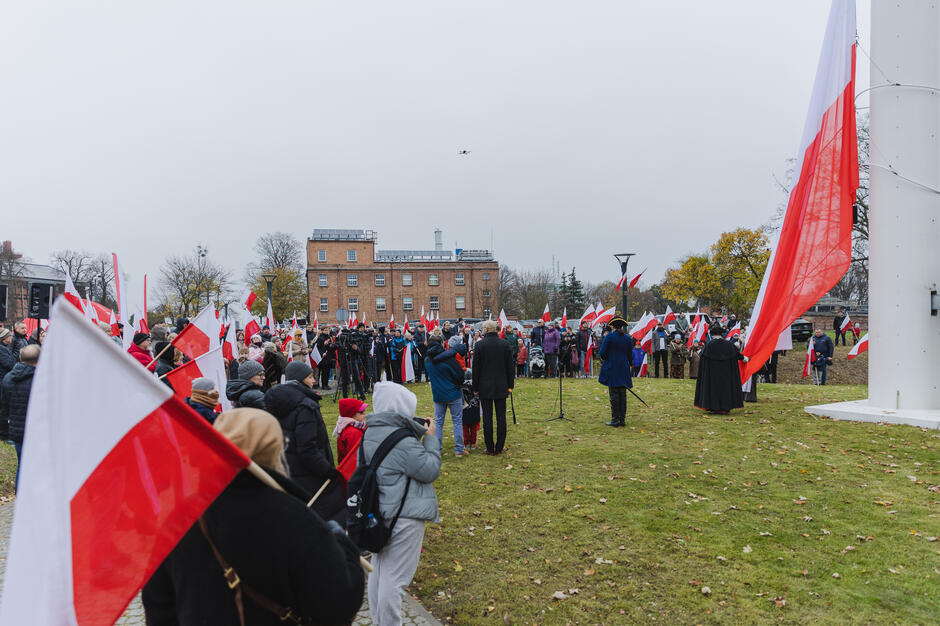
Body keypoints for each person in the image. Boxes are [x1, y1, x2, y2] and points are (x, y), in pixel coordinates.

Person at [142, 408, 365, 625]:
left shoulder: (179, 518)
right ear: (273, 449)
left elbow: (159, 607)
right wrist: (345, 548)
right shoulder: (293, 516)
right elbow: (338, 603)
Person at [360, 382, 441, 626]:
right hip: (404, 515)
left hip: (381, 510)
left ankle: (378, 621)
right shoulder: (401, 441)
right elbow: (429, 469)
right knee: (395, 580)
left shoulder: (371, 431)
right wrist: (431, 439)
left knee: (381, 570)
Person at [264, 360, 345, 526]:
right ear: (299, 380)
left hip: (289, 469)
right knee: (323, 517)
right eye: (309, 377)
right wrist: (327, 470)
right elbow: (307, 448)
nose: (314, 381)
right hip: (312, 474)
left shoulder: (275, 402)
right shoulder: (305, 406)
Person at [471, 320, 514, 455]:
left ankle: (490, 448)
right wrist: (510, 386)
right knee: (501, 417)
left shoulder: (480, 345)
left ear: (487, 329)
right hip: (501, 385)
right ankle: (499, 447)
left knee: (487, 418)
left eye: (483, 328)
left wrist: (475, 386)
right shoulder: (505, 344)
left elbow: (475, 368)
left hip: (485, 386)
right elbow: (510, 368)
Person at [1, 344, 39, 490]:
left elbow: (4, 407)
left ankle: (20, 496)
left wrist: (5, 432)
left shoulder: (8, 378)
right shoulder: (39, 378)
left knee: (22, 465)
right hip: (35, 431)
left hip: (17, 431)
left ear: (20, 358)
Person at [425, 334, 466, 457]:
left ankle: (437, 449)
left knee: (438, 422)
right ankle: (459, 449)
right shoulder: (449, 360)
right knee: (457, 421)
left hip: (438, 394)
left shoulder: (427, 360)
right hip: (453, 393)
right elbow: (460, 376)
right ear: (441, 344)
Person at [694, 326, 748, 413]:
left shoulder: (709, 346)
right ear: (721, 333)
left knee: (712, 388)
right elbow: (738, 355)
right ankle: (725, 407)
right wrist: (747, 359)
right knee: (725, 388)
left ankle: (712, 406)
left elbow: (701, 357)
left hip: (711, 374)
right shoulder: (729, 344)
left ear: (712, 334)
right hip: (726, 373)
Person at [598, 316, 634, 427]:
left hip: (613, 367)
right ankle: (622, 420)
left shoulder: (609, 337)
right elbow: (630, 355)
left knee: (614, 394)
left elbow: (602, 352)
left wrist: (606, 359)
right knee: (623, 394)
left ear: (612, 326)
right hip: (623, 367)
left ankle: (615, 420)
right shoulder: (627, 338)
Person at [334, 397, 368, 463]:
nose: (364, 413)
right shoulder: (353, 433)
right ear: (352, 414)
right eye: (361, 412)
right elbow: (357, 456)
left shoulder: (351, 427)